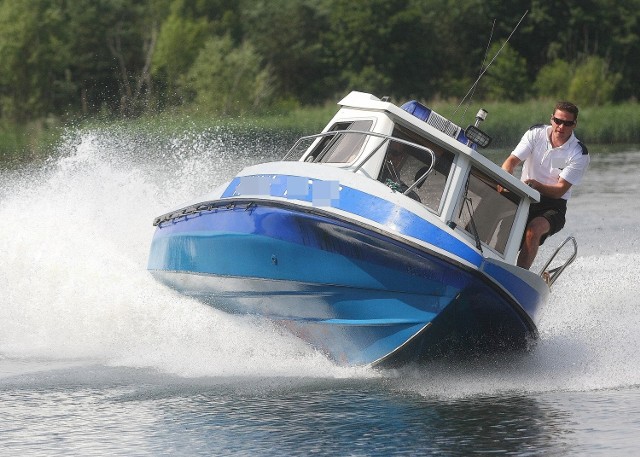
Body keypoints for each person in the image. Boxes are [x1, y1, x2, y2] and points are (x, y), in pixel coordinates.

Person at [501, 101, 590, 269]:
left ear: (574, 124)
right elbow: (511, 162)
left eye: (567, 123)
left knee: (533, 230)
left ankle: (518, 276)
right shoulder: (535, 134)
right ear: (552, 119)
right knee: (503, 233)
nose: (561, 126)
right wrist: (505, 178)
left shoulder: (579, 153)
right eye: (558, 121)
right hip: (523, 196)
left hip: (552, 205)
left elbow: (559, 190)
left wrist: (536, 185)